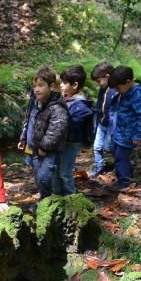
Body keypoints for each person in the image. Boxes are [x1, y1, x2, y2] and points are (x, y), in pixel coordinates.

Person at [17, 66, 68, 198]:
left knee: (46, 176)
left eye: (41, 85)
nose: (37, 89)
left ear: (51, 87)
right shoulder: (35, 101)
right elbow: (28, 120)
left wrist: (44, 147)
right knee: (39, 176)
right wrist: (23, 138)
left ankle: (57, 200)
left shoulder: (57, 106)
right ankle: (46, 199)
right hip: (34, 146)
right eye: (35, 86)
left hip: (49, 150)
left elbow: (56, 129)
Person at [108, 66, 141, 191]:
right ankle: (128, 173)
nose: (117, 91)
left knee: (121, 157)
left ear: (128, 82)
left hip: (128, 133)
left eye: (118, 88)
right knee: (116, 152)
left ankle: (124, 182)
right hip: (120, 130)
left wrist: (137, 135)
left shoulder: (137, 95)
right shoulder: (125, 92)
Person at [58, 65, 95, 194]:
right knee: (58, 169)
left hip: (71, 142)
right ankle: (59, 195)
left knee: (65, 172)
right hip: (63, 141)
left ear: (74, 85)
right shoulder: (67, 98)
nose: (61, 85)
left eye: (64, 83)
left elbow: (71, 125)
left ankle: (71, 197)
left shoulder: (80, 105)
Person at [89, 62, 115, 179]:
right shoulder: (102, 89)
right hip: (101, 123)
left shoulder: (115, 90)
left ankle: (120, 164)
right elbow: (99, 104)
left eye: (99, 81)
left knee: (109, 147)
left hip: (111, 125)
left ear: (108, 77)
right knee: (97, 147)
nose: (97, 84)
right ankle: (99, 166)